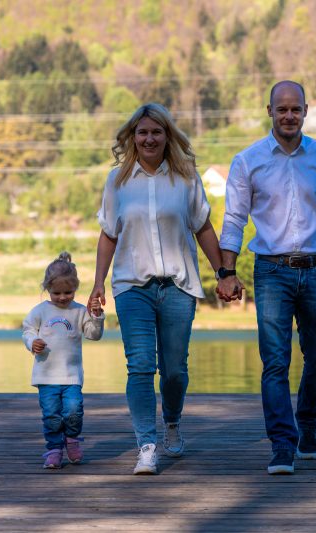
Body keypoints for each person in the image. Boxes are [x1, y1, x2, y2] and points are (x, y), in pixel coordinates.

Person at [217, 80, 316, 474]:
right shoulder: (248, 161)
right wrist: (227, 272)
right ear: (269, 111)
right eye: (282, 109)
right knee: (274, 361)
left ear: (306, 111)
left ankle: (308, 425)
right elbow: (233, 220)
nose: (289, 116)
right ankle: (282, 443)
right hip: (272, 271)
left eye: (296, 109)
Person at [87, 103, 224, 475]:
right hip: (133, 287)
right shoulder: (117, 181)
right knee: (141, 366)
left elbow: (204, 227)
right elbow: (108, 234)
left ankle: (173, 421)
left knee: (175, 370)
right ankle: (147, 445)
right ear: (133, 137)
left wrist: (224, 272)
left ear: (168, 136)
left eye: (156, 132)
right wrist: (98, 282)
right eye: (142, 132)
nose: (149, 138)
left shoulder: (186, 176)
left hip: (178, 286)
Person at [22, 252, 105, 469]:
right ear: (47, 288)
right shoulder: (40, 311)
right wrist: (32, 342)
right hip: (46, 376)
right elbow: (28, 330)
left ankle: (72, 439)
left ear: (76, 288)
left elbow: (93, 335)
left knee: (73, 410)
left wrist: (96, 316)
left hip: (71, 376)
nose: (62, 297)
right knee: (51, 414)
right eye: (56, 292)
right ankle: (54, 449)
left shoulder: (79, 311)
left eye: (68, 292)